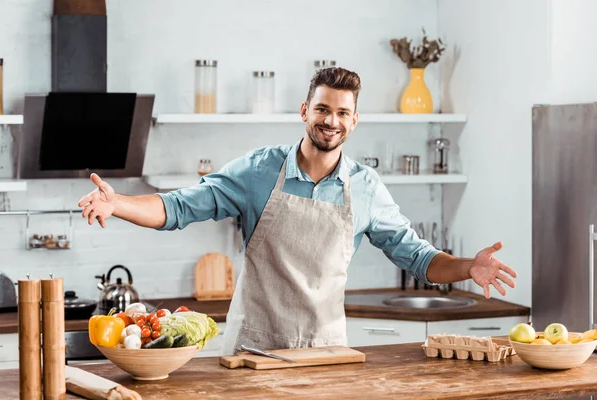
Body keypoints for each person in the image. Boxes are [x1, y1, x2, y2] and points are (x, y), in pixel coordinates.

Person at [77, 67, 517, 355]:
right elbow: (178, 207)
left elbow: (418, 257)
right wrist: (119, 204)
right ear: (305, 110)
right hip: (252, 349)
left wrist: (467, 268)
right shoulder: (257, 170)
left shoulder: (365, 188)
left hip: (325, 353)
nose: (331, 120)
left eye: (343, 112)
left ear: (355, 120)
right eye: (323, 108)